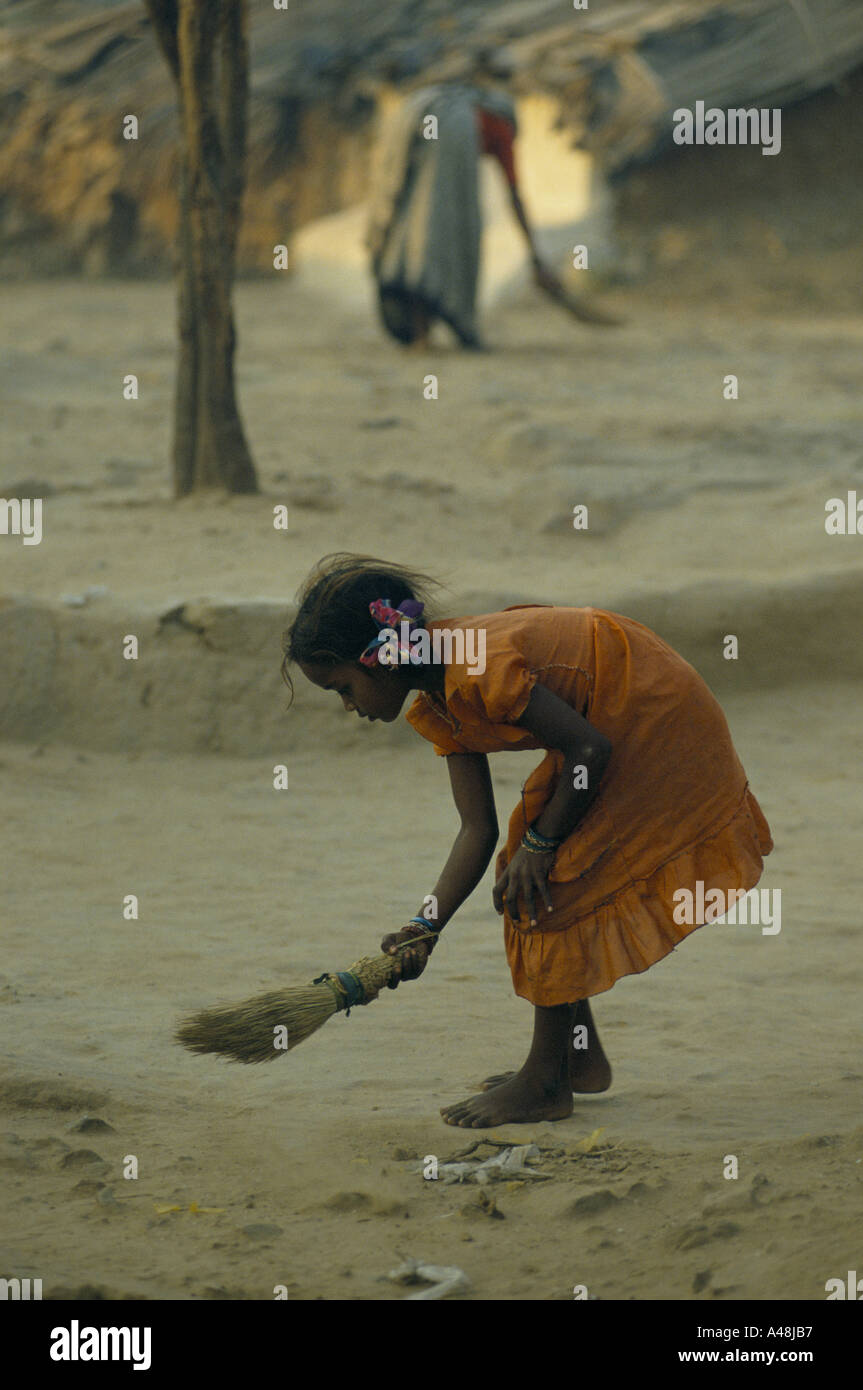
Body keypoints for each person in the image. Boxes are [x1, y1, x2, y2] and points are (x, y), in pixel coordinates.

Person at [282, 554, 774, 1128]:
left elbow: (591, 751)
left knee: (547, 881)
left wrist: (541, 848)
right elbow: (477, 829)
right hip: (605, 728)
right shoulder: (441, 699)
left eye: (343, 687)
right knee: (522, 866)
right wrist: (424, 927)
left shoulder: (474, 667)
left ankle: (545, 1084)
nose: (349, 707)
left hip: (651, 712)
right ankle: (575, 1060)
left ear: (382, 659)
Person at [366, 72, 559, 349]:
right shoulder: (497, 129)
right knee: (441, 245)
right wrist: (535, 255)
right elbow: (514, 194)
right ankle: (435, 333)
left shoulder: (435, 111)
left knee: (417, 247)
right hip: (431, 189)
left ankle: (423, 335)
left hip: (415, 194)